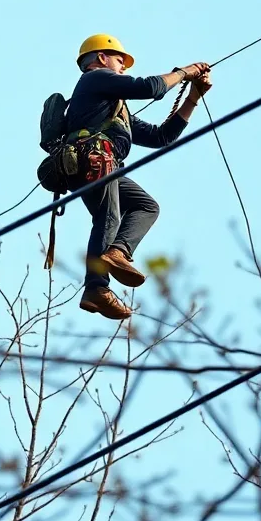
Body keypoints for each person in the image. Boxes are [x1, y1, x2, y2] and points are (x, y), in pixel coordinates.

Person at [66, 33, 212, 320]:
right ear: (101, 58)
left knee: (146, 207)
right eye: (120, 60)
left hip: (103, 164)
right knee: (109, 216)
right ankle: (96, 287)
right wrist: (184, 72)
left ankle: (118, 252)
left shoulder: (115, 107)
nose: (123, 67)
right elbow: (150, 88)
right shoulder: (95, 79)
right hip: (94, 160)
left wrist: (194, 97)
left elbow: (161, 137)